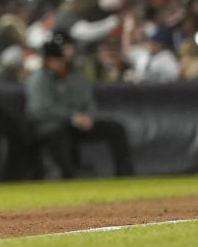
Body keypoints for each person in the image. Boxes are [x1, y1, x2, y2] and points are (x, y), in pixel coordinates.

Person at [24, 35, 135, 179]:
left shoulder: (75, 76)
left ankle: (125, 175)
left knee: (115, 128)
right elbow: (41, 110)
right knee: (58, 131)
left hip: (76, 124)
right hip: (47, 126)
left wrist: (88, 116)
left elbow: (88, 102)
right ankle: (70, 175)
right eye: (56, 59)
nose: (60, 62)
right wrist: (74, 117)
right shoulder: (39, 79)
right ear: (48, 60)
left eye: (61, 59)